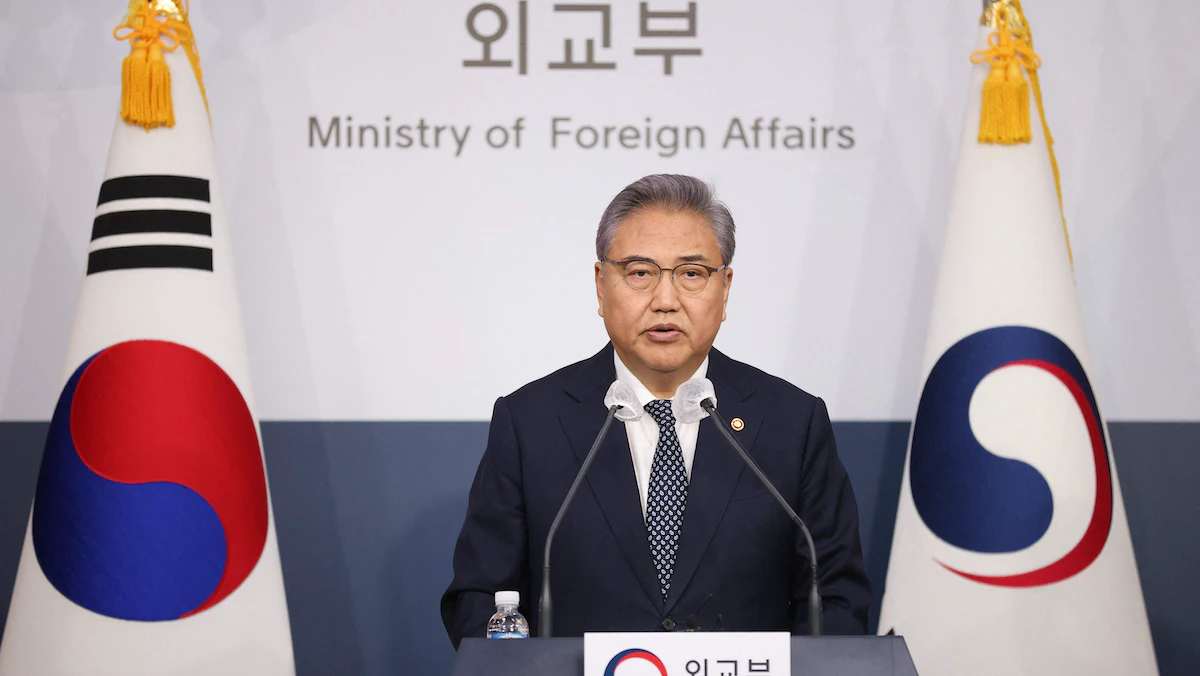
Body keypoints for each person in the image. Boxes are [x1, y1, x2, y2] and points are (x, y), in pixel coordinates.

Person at [441, 174, 871, 647]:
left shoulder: (793, 422)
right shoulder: (530, 423)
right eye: (640, 273)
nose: (665, 302)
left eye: (692, 273)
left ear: (725, 288)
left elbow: (836, 601)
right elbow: (479, 601)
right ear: (601, 286)